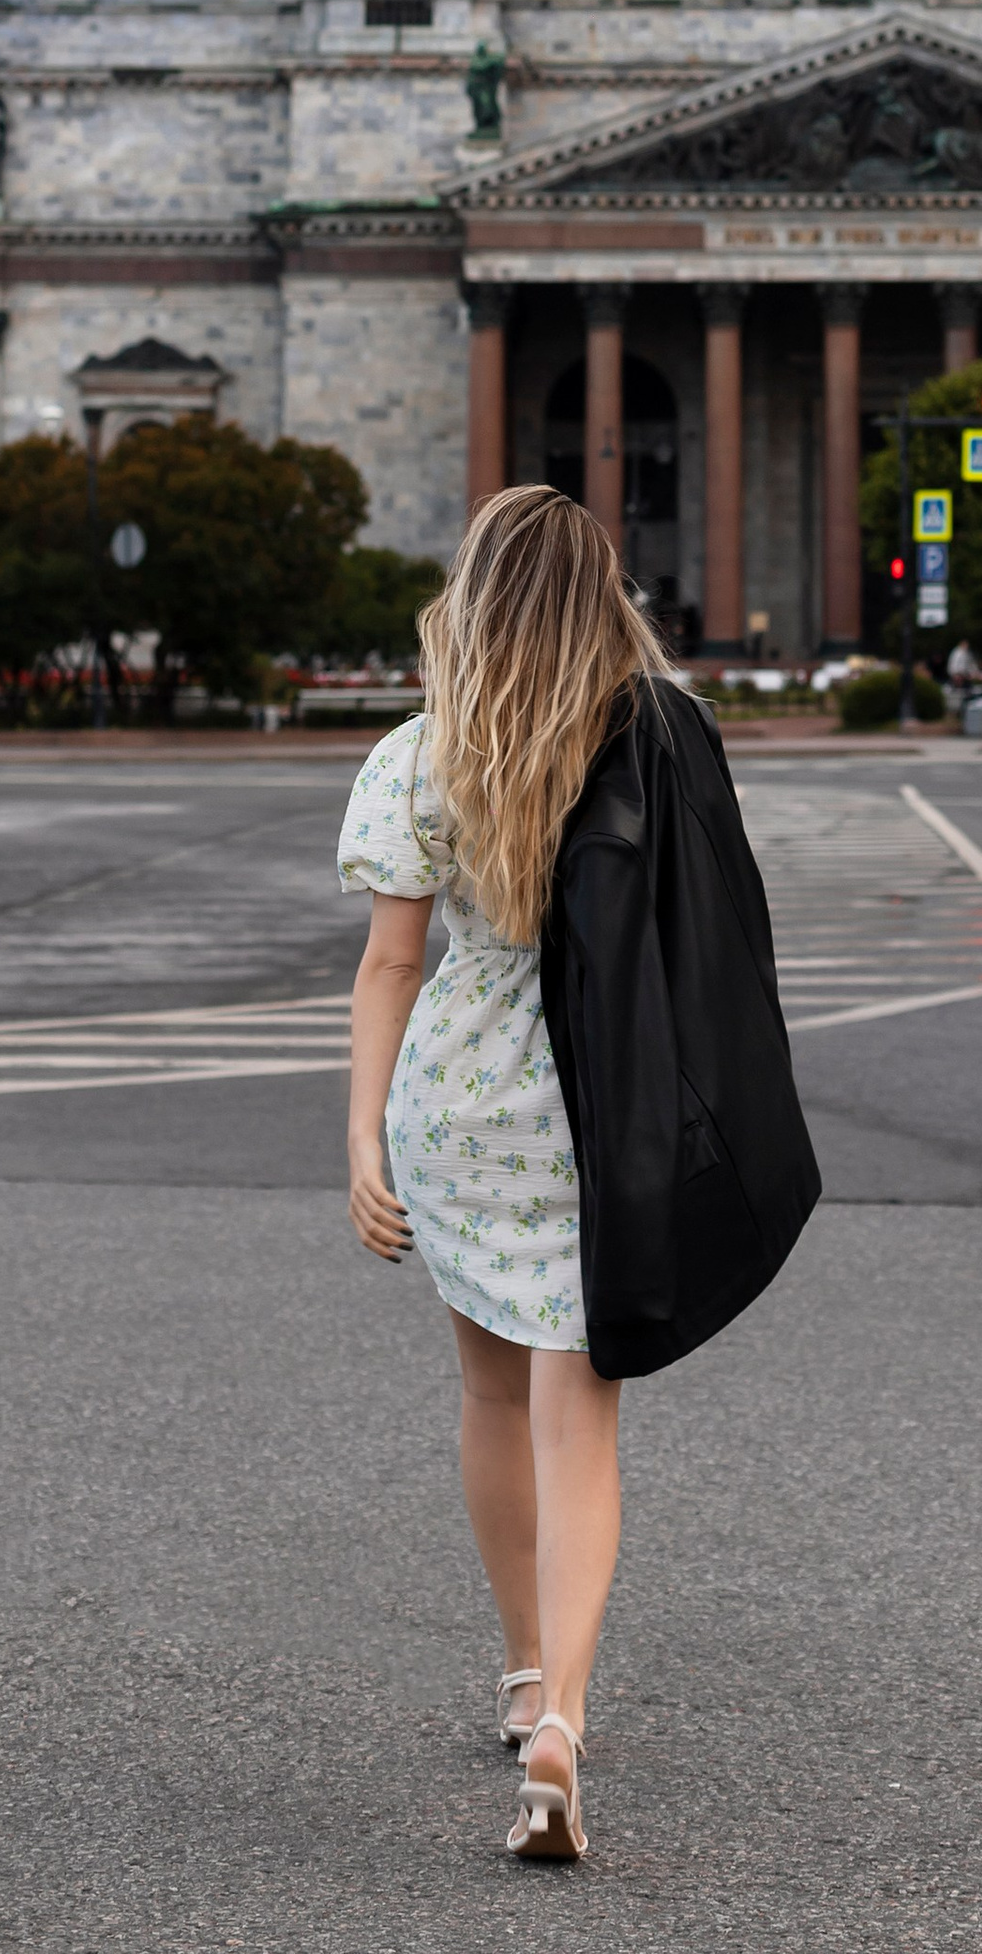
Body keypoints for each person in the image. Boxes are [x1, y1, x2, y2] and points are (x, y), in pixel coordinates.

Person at [339, 484, 819, 1866]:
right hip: (591, 1111)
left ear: (472, 594)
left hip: (454, 1109)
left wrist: (363, 1137)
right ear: (601, 594)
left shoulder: (422, 754)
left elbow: (387, 962)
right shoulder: (646, 739)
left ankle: (520, 1673)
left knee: (488, 1394)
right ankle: (564, 1720)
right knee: (578, 1420)